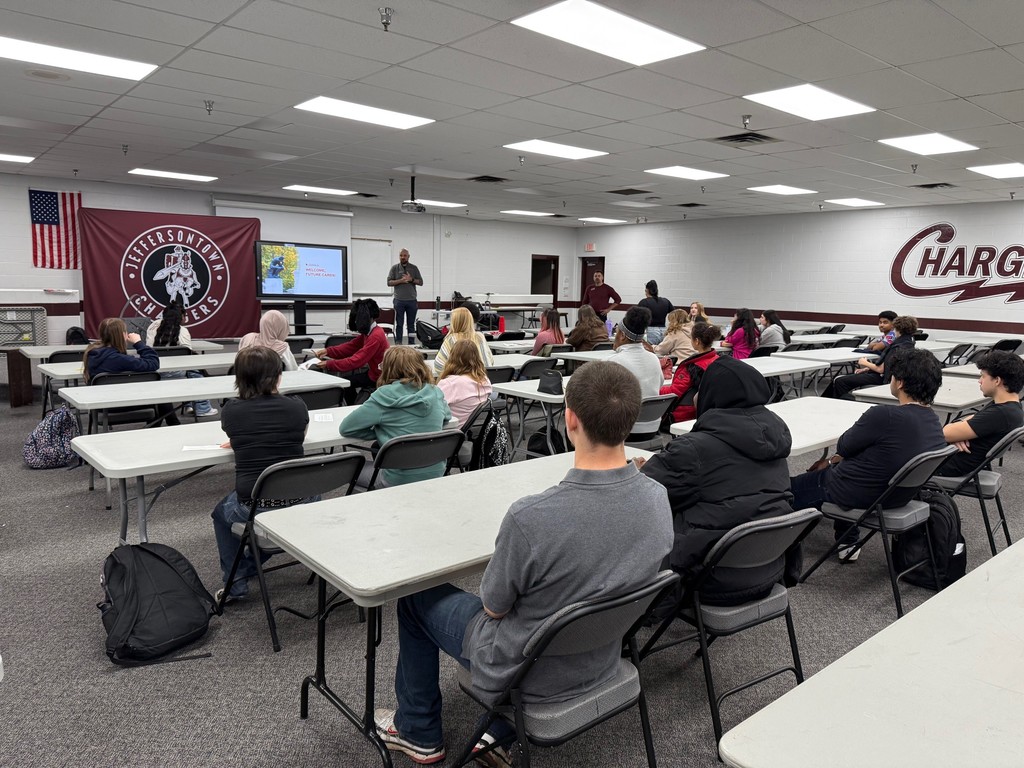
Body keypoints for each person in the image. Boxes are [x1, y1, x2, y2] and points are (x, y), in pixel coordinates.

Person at [373, 361, 673, 765]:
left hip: (528, 672)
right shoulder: (658, 499)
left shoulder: (530, 517)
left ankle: (419, 732)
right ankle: (497, 732)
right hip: (602, 656)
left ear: (569, 419)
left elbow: (494, 607)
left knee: (414, 599)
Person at [636, 355, 794, 602]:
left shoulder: (693, 450)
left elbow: (637, 495)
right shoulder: (775, 440)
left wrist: (636, 471)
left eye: (700, 389)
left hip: (705, 579)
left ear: (713, 395)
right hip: (768, 570)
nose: (696, 396)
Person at [790, 348, 946, 560]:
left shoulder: (884, 415)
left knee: (789, 489)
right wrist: (830, 460)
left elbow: (844, 446)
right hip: (894, 495)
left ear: (899, 383)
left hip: (854, 492)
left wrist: (830, 461)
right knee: (855, 462)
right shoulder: (933, 421)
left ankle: (767, 540)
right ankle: (848, 541)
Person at [211, 346, 310, 602]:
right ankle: (246, 569)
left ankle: (237, 581)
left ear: (240, 378)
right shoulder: (297, 407)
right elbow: (299, 436)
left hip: (255, 505)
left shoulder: (232, 411)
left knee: (221, 515)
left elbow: (236, 434)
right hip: (304, 499)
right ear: (279, 375)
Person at [340, 346, 451, 488]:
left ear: (388, 369)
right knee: (379, 450)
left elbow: (346, 428)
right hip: (436, 473)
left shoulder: (383, 397)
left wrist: (382, 432)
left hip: (398, 478)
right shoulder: (435, 392)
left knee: (349, 470)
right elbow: (447, 417)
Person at [935, 350, 1024, 478]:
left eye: (983, 376)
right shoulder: (1010, 407)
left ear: (997, 380)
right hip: (957, 458)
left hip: (947, 465)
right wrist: (958, 435)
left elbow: (944, 433)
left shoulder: (1000, 414)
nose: (979, 381)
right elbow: (971, 420)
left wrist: (955, 433)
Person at [84, 317, 179, 427]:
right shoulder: (120, 359)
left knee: (161, 399)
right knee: (161, 398)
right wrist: (138, 343)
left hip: (100, 405)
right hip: (121, 404)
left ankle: (165, 428)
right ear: (122, 335)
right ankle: (170, 427)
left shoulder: (92, 354)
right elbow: (153, 363)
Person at [146, 300, 216, 417]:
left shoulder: (152, 327)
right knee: (195, 370)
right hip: (177, 374)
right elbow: (187, 357)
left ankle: (189, 405)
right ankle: (202, 408)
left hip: (154, 372)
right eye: (185, 315)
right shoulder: (183, 331)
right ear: (181, 317)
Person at [314, 298, 390, 404]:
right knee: (347, 382)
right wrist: (328, 351)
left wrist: (329, 364)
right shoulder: (370, 332)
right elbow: (351, 347)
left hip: (379, 377)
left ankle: (353, 407)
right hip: (373, 373)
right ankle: (354, 405)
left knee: (346, 384)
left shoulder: (376, 336)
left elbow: (357, 361)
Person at [823, 315, 918, 399]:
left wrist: (864, 363)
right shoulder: (909, 343)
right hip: (892, 378)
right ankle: (827, 400)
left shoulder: (897, 347)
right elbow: (889, 365)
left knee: (840, 381)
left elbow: (881, 369)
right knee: (841, 380)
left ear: (898, 329)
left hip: (884, 379)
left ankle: (838, 402)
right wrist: (867, 369)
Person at [609, 306, 663, 434]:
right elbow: (659, 384)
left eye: (616, 332)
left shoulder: (612, 363)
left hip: (622, 429)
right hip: (653, 427)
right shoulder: (654, 359)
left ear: (622, 335)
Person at [660, 322, 720, 423]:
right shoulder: (718, 361)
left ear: (696, 341)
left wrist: (657, 389)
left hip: (684, 414)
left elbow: (675, 392)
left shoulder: (692, 367)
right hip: (707, 411)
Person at [436, 339, 493, 426]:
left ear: (452, 357)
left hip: (447, 430)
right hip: (464, 429)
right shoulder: (484, 381)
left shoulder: (449, 384)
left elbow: (432, 411)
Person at [432, 306, 493, 376]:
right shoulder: (480, 336)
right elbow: (490, 361)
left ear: (454, 322)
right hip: (483, 380)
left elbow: (439, 365)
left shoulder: (451, 339)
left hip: (459, 383)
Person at [388, 248, 423, 345]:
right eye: (401, 255)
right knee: (399, 324)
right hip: (399, 301)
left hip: (412, 301)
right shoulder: (394, 268)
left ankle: (411, 344)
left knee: (411, 325)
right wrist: (401, 281)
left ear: (408, 256)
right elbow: (389, 282)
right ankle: (398, 343)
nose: (403, 257)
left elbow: (421, 282)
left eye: (405, 255)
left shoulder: (414, 268)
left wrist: (411, 279)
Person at [638, 280, 673, 344]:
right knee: (662, 351)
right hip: (664, 330)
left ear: (647, 290)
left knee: (651, 351)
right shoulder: (665, 301)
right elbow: (675, 313)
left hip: (651, 330)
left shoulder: (644, 302)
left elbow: (637, 318)